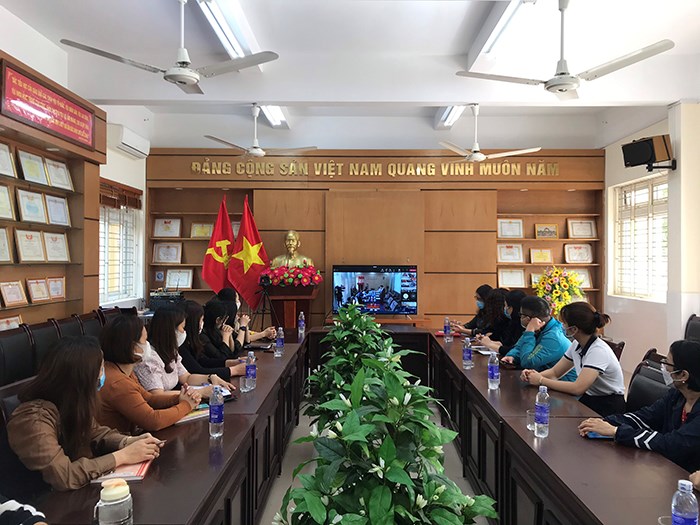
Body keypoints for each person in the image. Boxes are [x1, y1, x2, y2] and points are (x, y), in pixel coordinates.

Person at [0, 336, 163, 497]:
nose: (103, 375)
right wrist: (123, 456)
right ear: (82, 378)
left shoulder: (71, 402)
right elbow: (64, 476)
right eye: (100, 369)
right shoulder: (32, 419)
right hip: (41, 503)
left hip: (74, 494)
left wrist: (128, 442)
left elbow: (96, 433)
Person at [579, 340, 700, 473]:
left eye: (667, 363)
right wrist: (605, 422)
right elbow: (645, 417)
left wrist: (616, 431)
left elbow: (671, 445)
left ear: (683, 375)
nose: (663, 367)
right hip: (665, 469)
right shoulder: (676, 395)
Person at [98, 314, 202, 434]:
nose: (148, 345)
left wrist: (179, 398)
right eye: (145, 341)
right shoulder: (118, 382)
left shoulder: (122, 370)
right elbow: (153, 420)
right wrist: (186, 405)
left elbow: (149, 398)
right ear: (132, 347)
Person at [520, 302, 625, 416]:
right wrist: (532, 375)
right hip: (590, 399)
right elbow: (555, 372)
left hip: (607, 407)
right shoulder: (577, 344)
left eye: (564, 323)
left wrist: (541, 380)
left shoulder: (598, 351)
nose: (562, 325)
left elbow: (577, 388)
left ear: (574, 329)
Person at [133, 305, 235, 396]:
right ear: (171, 330)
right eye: (183, 327)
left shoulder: (171, 351)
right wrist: (200, 392)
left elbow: (186, 377)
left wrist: (210, 378)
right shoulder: (150, 358)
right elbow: (157, 395)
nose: (184, 332)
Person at [501, 296, 576, 381]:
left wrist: (529, 332)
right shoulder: (540, 327)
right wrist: (512, 355)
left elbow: (527, 363)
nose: (520, 318)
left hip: (561, 385)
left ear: (528, 318)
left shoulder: (554, 338)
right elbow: (519, 346)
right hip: (542, 379)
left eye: (521, 315)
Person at [180, 300, 246, 380]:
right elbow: (198, 370)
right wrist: (234, 370)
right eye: (201, 320)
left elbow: (204, 361)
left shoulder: (193, 340)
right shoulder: (183, 343)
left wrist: (232, 362)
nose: (202, 323)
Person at [478, 290, 526, 356]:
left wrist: (490, 344)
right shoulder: (513, 322)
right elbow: (506, 343)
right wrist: (486, 341)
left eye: (505, 306)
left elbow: (514, 350)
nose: (504, 309)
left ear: (511, 308)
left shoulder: (523, 325)